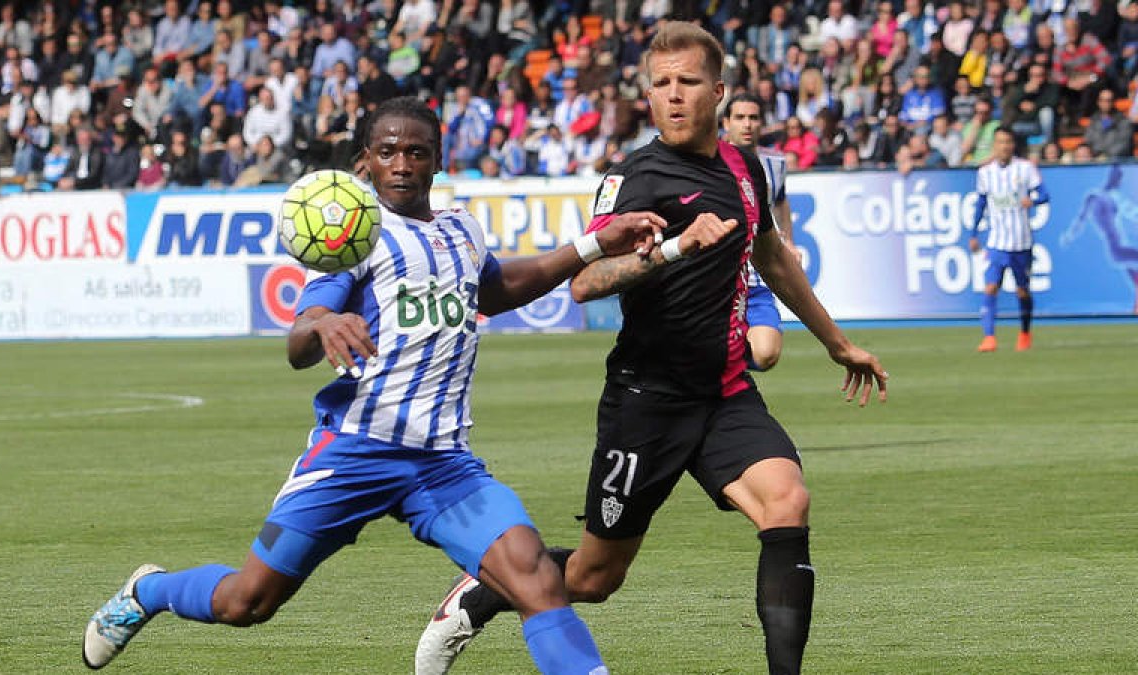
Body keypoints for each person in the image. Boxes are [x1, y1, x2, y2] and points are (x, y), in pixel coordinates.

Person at [80, 95, 686, 674]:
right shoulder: (354, 237)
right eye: (389, 152)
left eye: (417, 152)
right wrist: (324, 324)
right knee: (248, 602)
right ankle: (149, 590)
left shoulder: (461, 230)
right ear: (364, 163)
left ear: (438, 158)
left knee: (537, 578)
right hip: (353, 452)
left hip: (443, 464)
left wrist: (589, 245)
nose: (403, 164)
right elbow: (298, 341)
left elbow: (497, 290)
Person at [415, 22, 889, 675]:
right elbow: (586, 282)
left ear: (718, 90)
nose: (672, 95)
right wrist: (671, 248)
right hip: (646, 401)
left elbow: (772, 257)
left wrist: (839, 344)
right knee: (594, 576)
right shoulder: (635, 177)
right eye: (660, 83)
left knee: (788, 500)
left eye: (687, 82)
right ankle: (489, 588)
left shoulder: (745, 168)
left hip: (725, 391)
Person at [722, 94, 802, 372]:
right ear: (726, 123)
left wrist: (788, 240)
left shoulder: (775, 164)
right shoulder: (710, 162)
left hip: (756, 278)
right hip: (718, 280)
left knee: (766, 355)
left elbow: (779, 200)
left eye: (753, 118)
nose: (747, 124)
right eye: (740, 118)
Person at [968, 127, 1050, 352]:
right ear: (994, 145)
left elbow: (1044, 194)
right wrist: (973, 233)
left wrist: (1032, 200)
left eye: (1008, 142)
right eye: (1000, 142)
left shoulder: (1025, 168)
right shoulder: (985, 173)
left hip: (1021, 242)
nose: (1004, 146)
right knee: (991, 287)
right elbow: (981, 204)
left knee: (1022, 291)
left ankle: (1024, 332)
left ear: (1013, 145)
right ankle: (989, 338)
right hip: (996, 242)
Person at [1060, 164, 1138, 313]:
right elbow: (1080, 218)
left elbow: (1132, 213)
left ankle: (1136, 307)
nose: (1119, 182)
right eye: (1118, 178)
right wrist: (1070, 235)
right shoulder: (1095, 196)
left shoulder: (1114, 197)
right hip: (1116, 247)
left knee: (1135, 276)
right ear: (1113, 177)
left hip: (1121, 244)